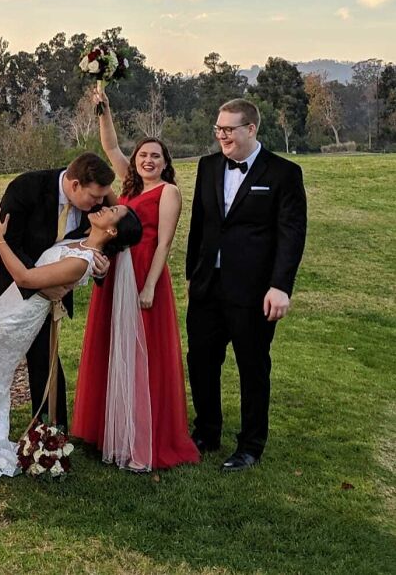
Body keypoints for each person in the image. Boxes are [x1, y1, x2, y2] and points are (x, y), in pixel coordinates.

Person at [0, 204, 143, 479]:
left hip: (19, 316)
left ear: (112, 230)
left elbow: (25, 277)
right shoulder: (81, 241)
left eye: (112, 211)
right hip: (11, 304)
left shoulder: (82, 261)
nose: (104, 207)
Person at [72, 91, 199, 471]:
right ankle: (110, 427)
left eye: (155, 156)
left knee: (142, 352)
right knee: (113, 345)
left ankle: (143, 431)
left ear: (165, 163)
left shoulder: (169, 192)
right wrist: (104, 108)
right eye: (143, 154)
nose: (147, 160)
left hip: (145, 273)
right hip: (116, 271)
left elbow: (164, 244)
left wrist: (149, 287)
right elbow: (109, 145)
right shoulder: (126, 188)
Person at [186, 98, 307, 472]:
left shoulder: (284, 173)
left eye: (228, 129)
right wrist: (193, 274)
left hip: (254, 292)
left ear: (251, 129)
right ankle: (206, 432)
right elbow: (199, 225)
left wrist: (280, 287)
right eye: (218, 129)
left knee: (253, 368)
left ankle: (251, 445)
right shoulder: (207, 167)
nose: (221, 136)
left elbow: (291, 234)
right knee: (202, 361)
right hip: (208, 287)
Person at [0, 153, 115, 429]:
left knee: (45, 360)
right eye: (94, 198)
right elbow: (9, 242)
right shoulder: (26, 187)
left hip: (46, 295)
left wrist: (101, 267)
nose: (99, 204)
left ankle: (50, 435)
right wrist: (41, 283)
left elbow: (107, 240)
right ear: (74, 186)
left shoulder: (96, 203)